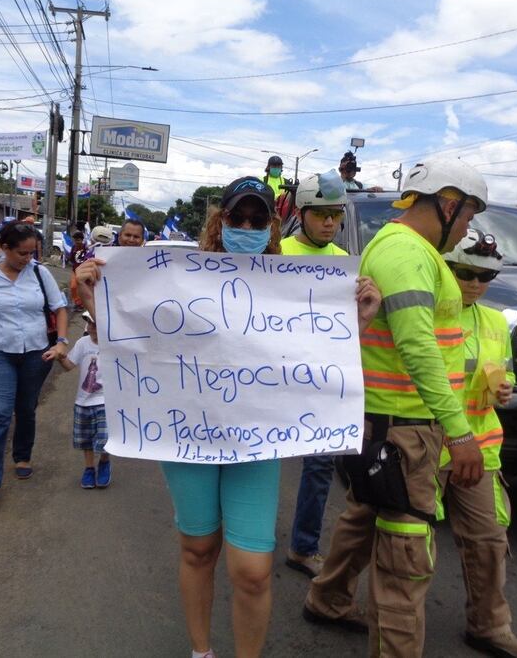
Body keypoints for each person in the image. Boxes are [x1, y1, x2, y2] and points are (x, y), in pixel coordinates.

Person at [70, 176, 381, 658]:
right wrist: (93, 299)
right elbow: (139, 340)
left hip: (256, 443)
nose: (247, 226)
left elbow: (313, 359)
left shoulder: (292, 288)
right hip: (188, 437)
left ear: (272, 228)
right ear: (221, 221)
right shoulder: (177, 277)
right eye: (238, 217)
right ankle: (201, 651)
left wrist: (356, 322)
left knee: (253, 572)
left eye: (258, 219)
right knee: (198, 549)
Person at [303, 158, 489, 658]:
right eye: (469, 215)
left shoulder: (399, 246)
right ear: (448, 204)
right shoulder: (408, 253)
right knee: (406, 559)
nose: (469, 226)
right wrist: (460, 432)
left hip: (385, 425)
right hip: (405, 431)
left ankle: (327, 598)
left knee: (365, 517)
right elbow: (418, 346)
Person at [440, 230, 517, 658]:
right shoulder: (424, 314)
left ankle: (489, 626)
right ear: (447, 268)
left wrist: (506, 388)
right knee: (370, 529)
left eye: (485, 276)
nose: (476, 283)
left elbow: (506, 372)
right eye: (466, 273)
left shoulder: (497, 321)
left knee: (488, 539)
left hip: (478, 449)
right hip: (424, 445)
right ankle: (329, 596)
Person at [0, 222, 69, 504]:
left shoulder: (39, 273)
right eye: (22, 253)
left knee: (26, 408)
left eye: (32, 252)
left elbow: (59, 307)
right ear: (4, 248)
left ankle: (22, 456)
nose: (28, 258)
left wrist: (61, 342)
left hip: (37, 353)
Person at [278, 174, 349, 579]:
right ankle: (242, 536)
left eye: (334, 216)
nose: (328, 223)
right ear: (302, 214)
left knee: (320, 465)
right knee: (260, 459)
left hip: (322, 380)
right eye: (321, 214)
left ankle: (303, 547)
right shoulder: (277, 253)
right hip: (272, 376)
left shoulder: (344, 263)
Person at [50, 311, 110, 489]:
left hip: (105, 400)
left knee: (105, 438)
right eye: (89, 323)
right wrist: (60, 357)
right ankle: (89, 468)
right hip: (83, 400)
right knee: (86, 438)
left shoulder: (112, 345)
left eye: (96, 324)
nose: (92, 327)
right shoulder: (83, 343)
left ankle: (105, 462)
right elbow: (69, 365)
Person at [68, 231, 86, 309]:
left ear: (82, 240)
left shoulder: (86, 248)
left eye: (78, 240)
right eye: (75, 240)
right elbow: (71, 258)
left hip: (83, 271)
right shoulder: (73, 247)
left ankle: (82, 303)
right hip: (75, 270)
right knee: (73, 286)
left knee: (82, 287)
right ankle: (77, 302)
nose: (76, 242)